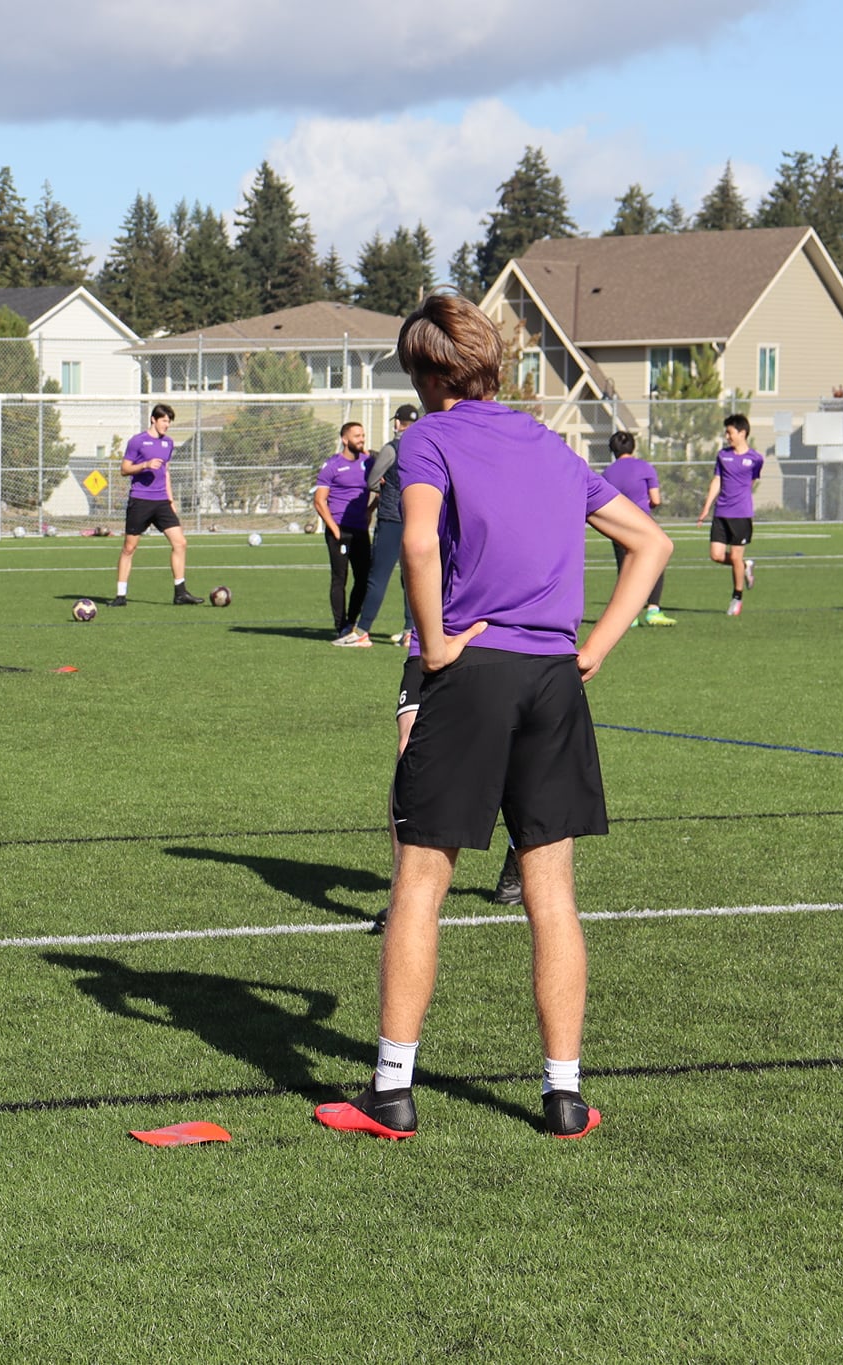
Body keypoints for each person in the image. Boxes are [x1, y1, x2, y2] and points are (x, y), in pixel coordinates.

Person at [314, 291, 670, 1142]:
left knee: (420, 882)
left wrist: (435, 643)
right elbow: (651, 543)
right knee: (551, 892)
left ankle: (391, 1091)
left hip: (473, 672)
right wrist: (593, 651)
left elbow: (419, 540)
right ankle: (564, 1097)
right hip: (554, 678)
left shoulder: (427, 437)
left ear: (429, 375)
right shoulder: (552, 446)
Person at [112, 404, 202, 606]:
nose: (167, 425)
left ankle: (180, 593)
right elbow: (124, 469)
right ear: (153, 419)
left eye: (169, 421)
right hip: (141, 500)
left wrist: (171, 500)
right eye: (164, 420)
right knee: (129, 547)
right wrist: (144, 465)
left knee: (180, 543)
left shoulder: (168, 443)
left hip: (161, 501)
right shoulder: (137, 441)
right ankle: (120, 596)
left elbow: (166, 472)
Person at [353, 405, 419, 647]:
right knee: (411, 577)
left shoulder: (392, 448)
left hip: (392, 517)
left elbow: (372, 481)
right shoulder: (424, 446)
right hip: (417, 518)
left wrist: (384, 483)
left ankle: (362, 630)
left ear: (397, 423)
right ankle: (411, 631)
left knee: (378, 577)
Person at [602, 431, 675, 627]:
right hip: (643, 525)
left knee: (625, 570)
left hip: (617, 526)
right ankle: (653, 610)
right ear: (632, 447)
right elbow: (656, 499)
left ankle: (629, 617)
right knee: (655, 564)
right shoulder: (644, 467)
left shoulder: (608, 473)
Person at [697, 413, 763, 616]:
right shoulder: (723, 455)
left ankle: (737, 598)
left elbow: (751, 482)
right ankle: (745, 566)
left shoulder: (755, 459)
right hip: (721, 513)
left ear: (742, 433)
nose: (727, 436)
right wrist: (707, 506)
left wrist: (741, 499)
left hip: (741, 515)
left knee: (734, 556)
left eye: (730, 432)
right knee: (716, 555)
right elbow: (717, 480)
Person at [316, 422, 375, 644]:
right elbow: (319, 501)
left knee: (363, 579)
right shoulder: (332, 465)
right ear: (344, 439)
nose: (361, 439)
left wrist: (369, 511)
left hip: (360, 530)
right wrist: (334, 529)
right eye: (357, 436)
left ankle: (352, 622)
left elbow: (381, 489)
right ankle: (340, 626)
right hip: (339, 531)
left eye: (363, 435)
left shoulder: (369, 463)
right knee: (340, 578)